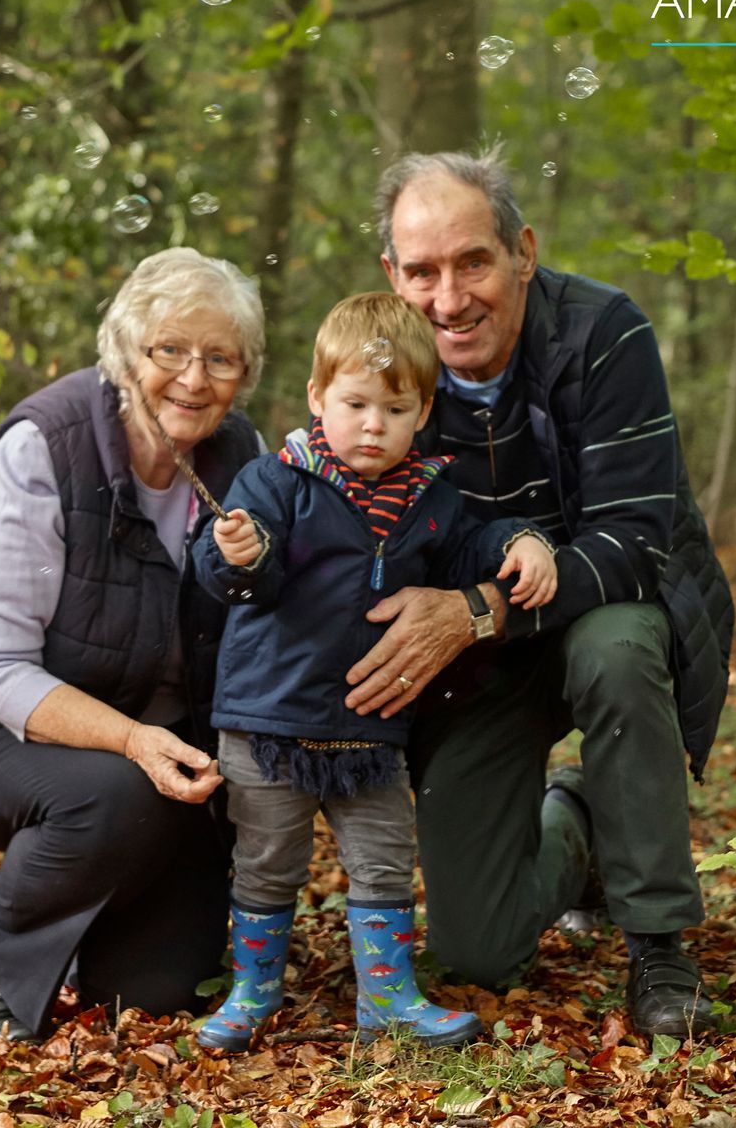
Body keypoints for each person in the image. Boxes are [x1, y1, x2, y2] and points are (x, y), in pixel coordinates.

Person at [343, 149, 736, 1038]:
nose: (449, 300)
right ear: (392, 275)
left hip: (597, 616)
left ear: (522, 249)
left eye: (473, 262)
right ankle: (583, 817)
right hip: (478, 668)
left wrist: (477, 606)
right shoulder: (380, 374)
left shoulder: (605, 332)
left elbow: (638, 545)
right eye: (423, 272)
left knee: (620, 646)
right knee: (476, 952)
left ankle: (659, 944)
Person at [0, 247, 266, 1040]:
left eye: (220, 358)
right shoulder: (46, 446)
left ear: (245, 373)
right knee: (113, 793)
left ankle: (101, 927)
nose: (195, 379)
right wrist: (133, 741)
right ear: (126, 352)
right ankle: (4, 952)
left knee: (161, 996)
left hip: (147, 736)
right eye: (170, 351)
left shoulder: (243, 457)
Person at [187, 293, 559, 1053]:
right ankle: (253, 990)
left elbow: (468, 554)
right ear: (319, 399)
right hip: (269, 723)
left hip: (369, 730)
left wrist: (522, 540)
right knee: (266, 864)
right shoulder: (276, 483)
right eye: (354, 404)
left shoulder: (431, 498)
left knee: (383, 862)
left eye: (393, 409)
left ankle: (386, 996)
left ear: (422, 412)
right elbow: (233, 578)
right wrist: (239, 553)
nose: (371, 425)